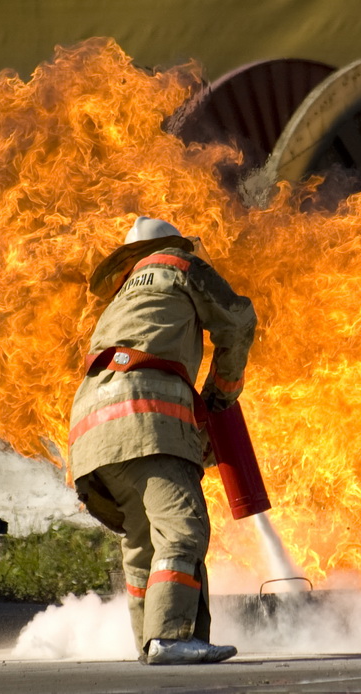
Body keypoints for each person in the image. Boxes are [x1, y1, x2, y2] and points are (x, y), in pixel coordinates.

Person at [69, 216, 256, 665]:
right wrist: (219, 399)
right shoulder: (179, 264)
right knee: (182, 527)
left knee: (142, 543)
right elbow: (238, 320)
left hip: (92, 429)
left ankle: (152, 644)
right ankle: (172, 637)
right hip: (147, 417)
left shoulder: (121, 299)